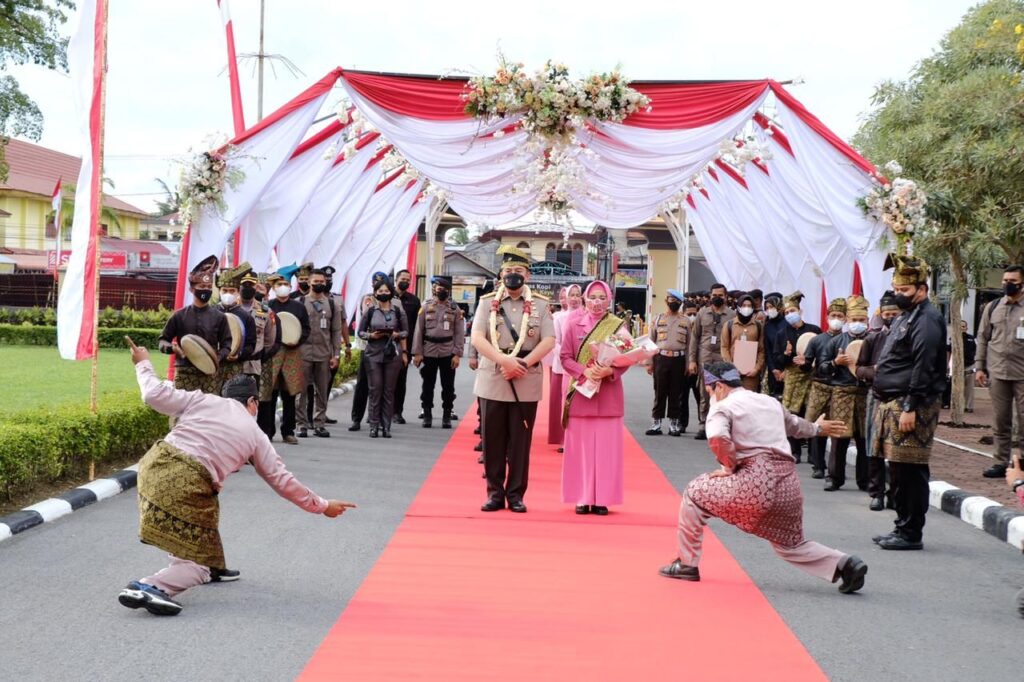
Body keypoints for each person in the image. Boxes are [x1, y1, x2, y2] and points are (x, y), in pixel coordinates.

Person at [118, 343, 355, 616]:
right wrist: (323, 506)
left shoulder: (204, 400)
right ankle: (150, 586)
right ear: (253, 403)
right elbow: (283, 481)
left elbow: (153, 394)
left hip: (152, 468)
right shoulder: (255, 435)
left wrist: (142, 363)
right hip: (188, 482)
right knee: (199, 567)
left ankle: (183, 571)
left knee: (196, 522)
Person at [658, 361, 867, 594]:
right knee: (790, 544)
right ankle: (845, 563)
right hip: (789, 485)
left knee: (694, 494)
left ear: (718, 386)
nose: (709, 395)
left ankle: (687, 564)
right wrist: (817, 429)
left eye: (708, 390)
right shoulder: (769, 401)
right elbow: (795, 425)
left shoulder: (723, 407)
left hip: (755, 481)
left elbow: (717, 436)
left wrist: (728, 466)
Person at [471, 246, 555, 513]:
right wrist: (504, 361)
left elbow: (549, 340)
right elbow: (477, 338)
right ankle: (495, 493)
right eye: (508, 271)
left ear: (527, 275)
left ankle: (516, 494)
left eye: (519, 271)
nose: (513, 275)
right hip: (494, 377)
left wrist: (522, 364)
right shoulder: (487, 303)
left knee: (520, 443)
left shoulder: (541, 304)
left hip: (525, 379)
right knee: (493, 440)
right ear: (500, 275)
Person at [871, 254, 946, 551]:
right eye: (895, 289)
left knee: (912, 470)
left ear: (921, 288)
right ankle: (901, 525)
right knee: (900, 469)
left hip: (912, 404)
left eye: (904, 290)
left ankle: (911, 532)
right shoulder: (907, 316)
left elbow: (924, 365)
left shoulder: (927, 319)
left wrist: (910, 406)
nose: (897, 295)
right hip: (895, 401)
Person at [560, 280, 634, 515]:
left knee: (607, 452)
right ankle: (582, 497)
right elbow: (565, 357)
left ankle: (603, 498)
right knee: (579, 451)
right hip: (582, 392)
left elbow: (628, 357)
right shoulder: (573, 324)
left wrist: (611, 371)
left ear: (609, 299)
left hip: (609, 395)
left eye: (602, 298)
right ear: (584, 299)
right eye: (592, 297)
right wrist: (585, 371)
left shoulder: (619, 327)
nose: (597, 303)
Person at [158, 255, 232, 394]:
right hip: (184, 371)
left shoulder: (220, 317)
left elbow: (227, 344)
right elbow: (163, 340)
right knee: (181, 413)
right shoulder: (179, 315)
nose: (206, 290)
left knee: (208, 413)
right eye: (202, 286)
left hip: (210, 373)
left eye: (209, 287)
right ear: (192, 289)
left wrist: (217, 356)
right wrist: (172, 349)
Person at [977, 264, 1024, 478]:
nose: (1007, 284)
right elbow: (983, 338)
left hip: (1022, 373)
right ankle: (1000, 462)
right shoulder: (993, 307)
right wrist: (980, 367)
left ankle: (1021, 465)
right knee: (1000, 420)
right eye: (1005, 281)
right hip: (997, 373)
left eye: (1012, 281)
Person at [855, 291, 901, 511]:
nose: (890, 317)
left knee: (895, 448)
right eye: (887, 313)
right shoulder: (872, 339)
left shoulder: (906, 335)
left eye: (894, 313)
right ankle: (877, 493)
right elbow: (859, 369)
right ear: (881, 315)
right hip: (876, 396)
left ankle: (894, 494)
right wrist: (874, 371)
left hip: (898, 398)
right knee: (874, 445)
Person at [825, 295, 871, 493]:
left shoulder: (873, 340)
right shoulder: (836, 341)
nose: (857, 324)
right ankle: (834, 478)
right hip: (842, 393)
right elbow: (821, 369)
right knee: (839, 438)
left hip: (864, 394)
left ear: (867, 321)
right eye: (854, 320)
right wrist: (836, 363)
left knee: (864, 439)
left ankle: (865, 479)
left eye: (861, 320)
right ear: (847, 321)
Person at [799, 297, 847, 478]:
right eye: (833, 315)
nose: (836, 318)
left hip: (842, 390)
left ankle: (836, 469)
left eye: (840, 315)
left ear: (845, 319)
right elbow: (808, 365)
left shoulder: (848, 340)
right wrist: (802, 364)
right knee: (818, 427)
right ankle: (818, 465)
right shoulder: (817, 340)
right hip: (820, 387)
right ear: (827, 317)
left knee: (839, 429)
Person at [358, 276, 409, 438]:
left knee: (389, 390)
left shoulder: (398, 311)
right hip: (373, 353)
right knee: (375, 389)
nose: (383, 293)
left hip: (392, 353)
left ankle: (386, 426)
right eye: (380, 291)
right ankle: (373, 425)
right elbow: (360, 332)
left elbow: (406, 332)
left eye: (386, 291)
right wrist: (371, 335)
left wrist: (396, 334)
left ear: (391, 292)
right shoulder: (371, 311)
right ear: (375, 293)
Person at [412, 276, 465, 428]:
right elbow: (418, 330)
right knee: (428, 385)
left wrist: (457, 354)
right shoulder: (426, 306)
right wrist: (417, 352)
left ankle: (446, 415)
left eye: (443, 288)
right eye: (437, 287)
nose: (440, 290)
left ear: (448, 290)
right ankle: (427, 414)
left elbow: (459, 333)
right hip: (429, 350)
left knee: (448, 386)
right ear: (434, 289)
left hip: (447, 352)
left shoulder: (455, 309)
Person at [296, 268, 343, 438]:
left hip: (324, 354)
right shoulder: (300, 303)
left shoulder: (332, 304)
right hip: (303, 353)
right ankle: (301, 424)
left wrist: (336, 355)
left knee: (322, 391)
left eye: (321, 282)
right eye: (315, 282)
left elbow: (336, 332)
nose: (318, 285)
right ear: (308, 283)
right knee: (300, 391)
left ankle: (319, 424)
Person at [265, 273, 311, 445]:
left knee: (290, 394)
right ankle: (268, 431)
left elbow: (306, 329)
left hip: (292, 353)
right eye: (279, 284)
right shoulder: (268, 306)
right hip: (273, 354)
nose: (282, 287)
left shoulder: (299, 307)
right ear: (274, 288)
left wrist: (297, 340)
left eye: (285, 284)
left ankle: (288, 432)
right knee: (270, 393)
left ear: (290, 287)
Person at [777, 291, 821, 464]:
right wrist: (786, 354)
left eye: (792, 311)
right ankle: (794, 451)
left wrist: (808, 361)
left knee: (810, 412)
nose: (790, 315)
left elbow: (822, 353)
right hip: (792, 379)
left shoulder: (814, 330)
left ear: (800, 311)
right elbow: (778, 360)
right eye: (786, 313)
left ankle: (812, 453)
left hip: (811, 377)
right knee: (791, 414)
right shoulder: (782, 333)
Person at [687, 283, 736, 440]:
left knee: (725, 393)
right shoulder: (702, 313)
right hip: (705, 358)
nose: (717, 298)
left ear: (725, 297)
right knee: (705, 393)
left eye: (720, 295)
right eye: (714, 295)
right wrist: (692, 361)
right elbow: (694, 338)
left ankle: (722, 427)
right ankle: (704, 425)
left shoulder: (731, 315)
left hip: (723, 359)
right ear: (710, 296)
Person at [240, 272, 280, 437]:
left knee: (252, 405)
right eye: (245, 285)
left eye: (251, 285)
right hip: (233, 364)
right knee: (232, 404)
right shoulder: (229, 308)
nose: (248, 289)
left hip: (255, 365)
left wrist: (261, 354)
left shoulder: (265, 311)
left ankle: (252, 440)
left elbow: (271, 339)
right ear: (239, 287)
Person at [647, 289, 691, 437]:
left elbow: (690, 345)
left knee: (676, 392)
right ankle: (656, 423)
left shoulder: (686, 321)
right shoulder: (658, 319)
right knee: (659, 391)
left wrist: (688, 364)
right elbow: (651, 341)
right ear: (666, 301)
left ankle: (673, 424)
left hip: (679, 359)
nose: (673, 303)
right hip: (661, 358)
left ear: (680, 303)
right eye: (671, 300)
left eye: (677, 301)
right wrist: (649, 362)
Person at [312, 265, 351, 426]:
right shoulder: (308, 299)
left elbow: (342, 325)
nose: (326, 283)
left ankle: (321, 412)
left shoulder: (337, 299)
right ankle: (308, 415)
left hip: (329, 349)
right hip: (311, 347)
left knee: (325, 383)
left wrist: (347, 345)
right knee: (307, 384)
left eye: (329, 280)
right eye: (323, 280)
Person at [549, 284, 583, 446]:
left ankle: (579, 437)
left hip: (582, 366)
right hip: (562, 366)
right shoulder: (558, 317)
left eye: (578, 295)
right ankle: (563, 438)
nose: (575, 299)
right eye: (572, 295)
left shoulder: (587, 315)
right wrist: (566, 357)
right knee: (564, 402)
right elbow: (555, 341)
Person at [215, 263, 257, 386]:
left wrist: (239, 355)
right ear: (220, 291)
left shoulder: (246, 316)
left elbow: (251, 345)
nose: (228, 294)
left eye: (232, 291)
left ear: (238, 292)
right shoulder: (211, 312)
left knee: (233, 399)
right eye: (225, 290)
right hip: (214, 365)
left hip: (236, 367)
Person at [393, 268, 421, 425]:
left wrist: (416, 350)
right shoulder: (388, 297)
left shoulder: (414, 300)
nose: (405, 281)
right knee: (383, 381)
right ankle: (381, 412)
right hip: (387, 344)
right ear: (396, 280)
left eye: (408, 279)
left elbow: (417, 327)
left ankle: (397, 412)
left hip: (406, 346)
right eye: (403, 278)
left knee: (400, 381)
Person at [721, 293, 765, 393]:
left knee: (749, 403)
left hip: (751, 375)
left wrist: (756, 369)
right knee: (733, 401)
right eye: (744, 306)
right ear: (739, 307)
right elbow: (724, 348)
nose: (747, 308)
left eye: (749, 306)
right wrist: (731, 368)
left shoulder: (758, 326)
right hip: (733, 374)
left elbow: (761, 350)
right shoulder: (729, 325)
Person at [348, 292, 377, 432]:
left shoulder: (388, 309)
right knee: (362, 386)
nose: (368, 302)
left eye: (371, 301)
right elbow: (361, 331)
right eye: (366, 301)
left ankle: (375, 418)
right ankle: (356, 419)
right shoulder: (365, 311)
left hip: (381, 351)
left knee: (377, 387)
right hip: (366, 350)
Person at [946, 320, 977, 413]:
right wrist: (948, 365)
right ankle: (957, 406)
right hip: (957, 366)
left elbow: (978, 351)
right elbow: (948, 351)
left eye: (964, 326)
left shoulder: (972, 338)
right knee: (957, 388)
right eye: (960, 326)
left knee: (969, 388)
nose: (962, 328)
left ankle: (969, 406)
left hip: (970, 365)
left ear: (966, 328)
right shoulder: (953, 339)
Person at [762, 292, 787, 399]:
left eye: (771, 307)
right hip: (773, 369)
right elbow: (767, 349)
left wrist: (786, 370)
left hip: (788, 368)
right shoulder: (767, 326)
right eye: (767, 308)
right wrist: (773, 369)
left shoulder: (788, 323)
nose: (769, 310)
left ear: (779, 306)